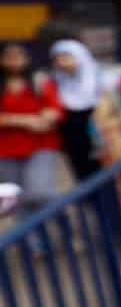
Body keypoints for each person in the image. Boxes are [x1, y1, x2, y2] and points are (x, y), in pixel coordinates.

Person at [0, 41, 63, 215]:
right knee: (16, 199)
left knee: (40, 191)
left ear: (27, 58)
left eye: (19, 55)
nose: (14, 60)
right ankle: (33, 239)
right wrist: (25, 121)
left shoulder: (40, 81)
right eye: (8, 56)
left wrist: (49, 116)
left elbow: (55, 108)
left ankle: (59, 222)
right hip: (5, 150)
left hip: (40, 145)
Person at [48, 38, 101, 181]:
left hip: (102, 142)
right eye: (57, 59)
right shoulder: (54, 83)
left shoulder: (100, 80)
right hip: (74, 145)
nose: (61, 63)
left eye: (65, 57)